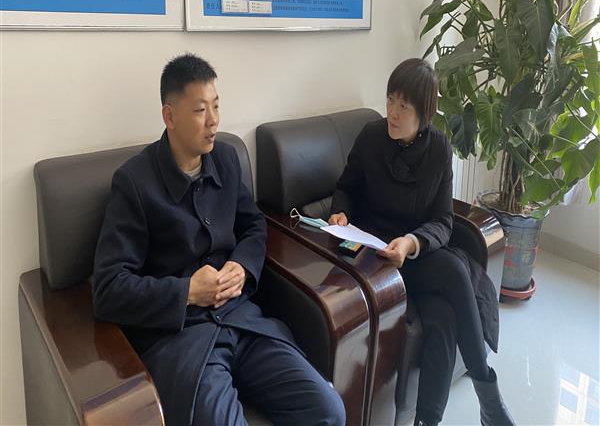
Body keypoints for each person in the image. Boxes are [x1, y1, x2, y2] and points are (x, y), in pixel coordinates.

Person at [93, 53, 345, 426]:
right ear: (169, 116)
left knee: (328, 411)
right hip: (183, 340)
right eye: (200, 110)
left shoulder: (225, 159)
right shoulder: (134, 182)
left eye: (216, 106)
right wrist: (186, 292)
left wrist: (242, 266)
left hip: (243, 322)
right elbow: (108, 289)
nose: (213, 120)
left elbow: (254, 225)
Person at [328, 58, 515, 426]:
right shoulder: (371, 137)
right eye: (390, 100)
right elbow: (345, 187)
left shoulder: (439, 150)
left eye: (404, 106)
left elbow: (443, 220)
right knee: (450, 287)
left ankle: (435, 418)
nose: (392, 113)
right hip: (376, 256)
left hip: (415, 253)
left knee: (447, 301)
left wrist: (411, 243)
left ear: (424, 113)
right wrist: (340, 214)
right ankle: (487, 396)